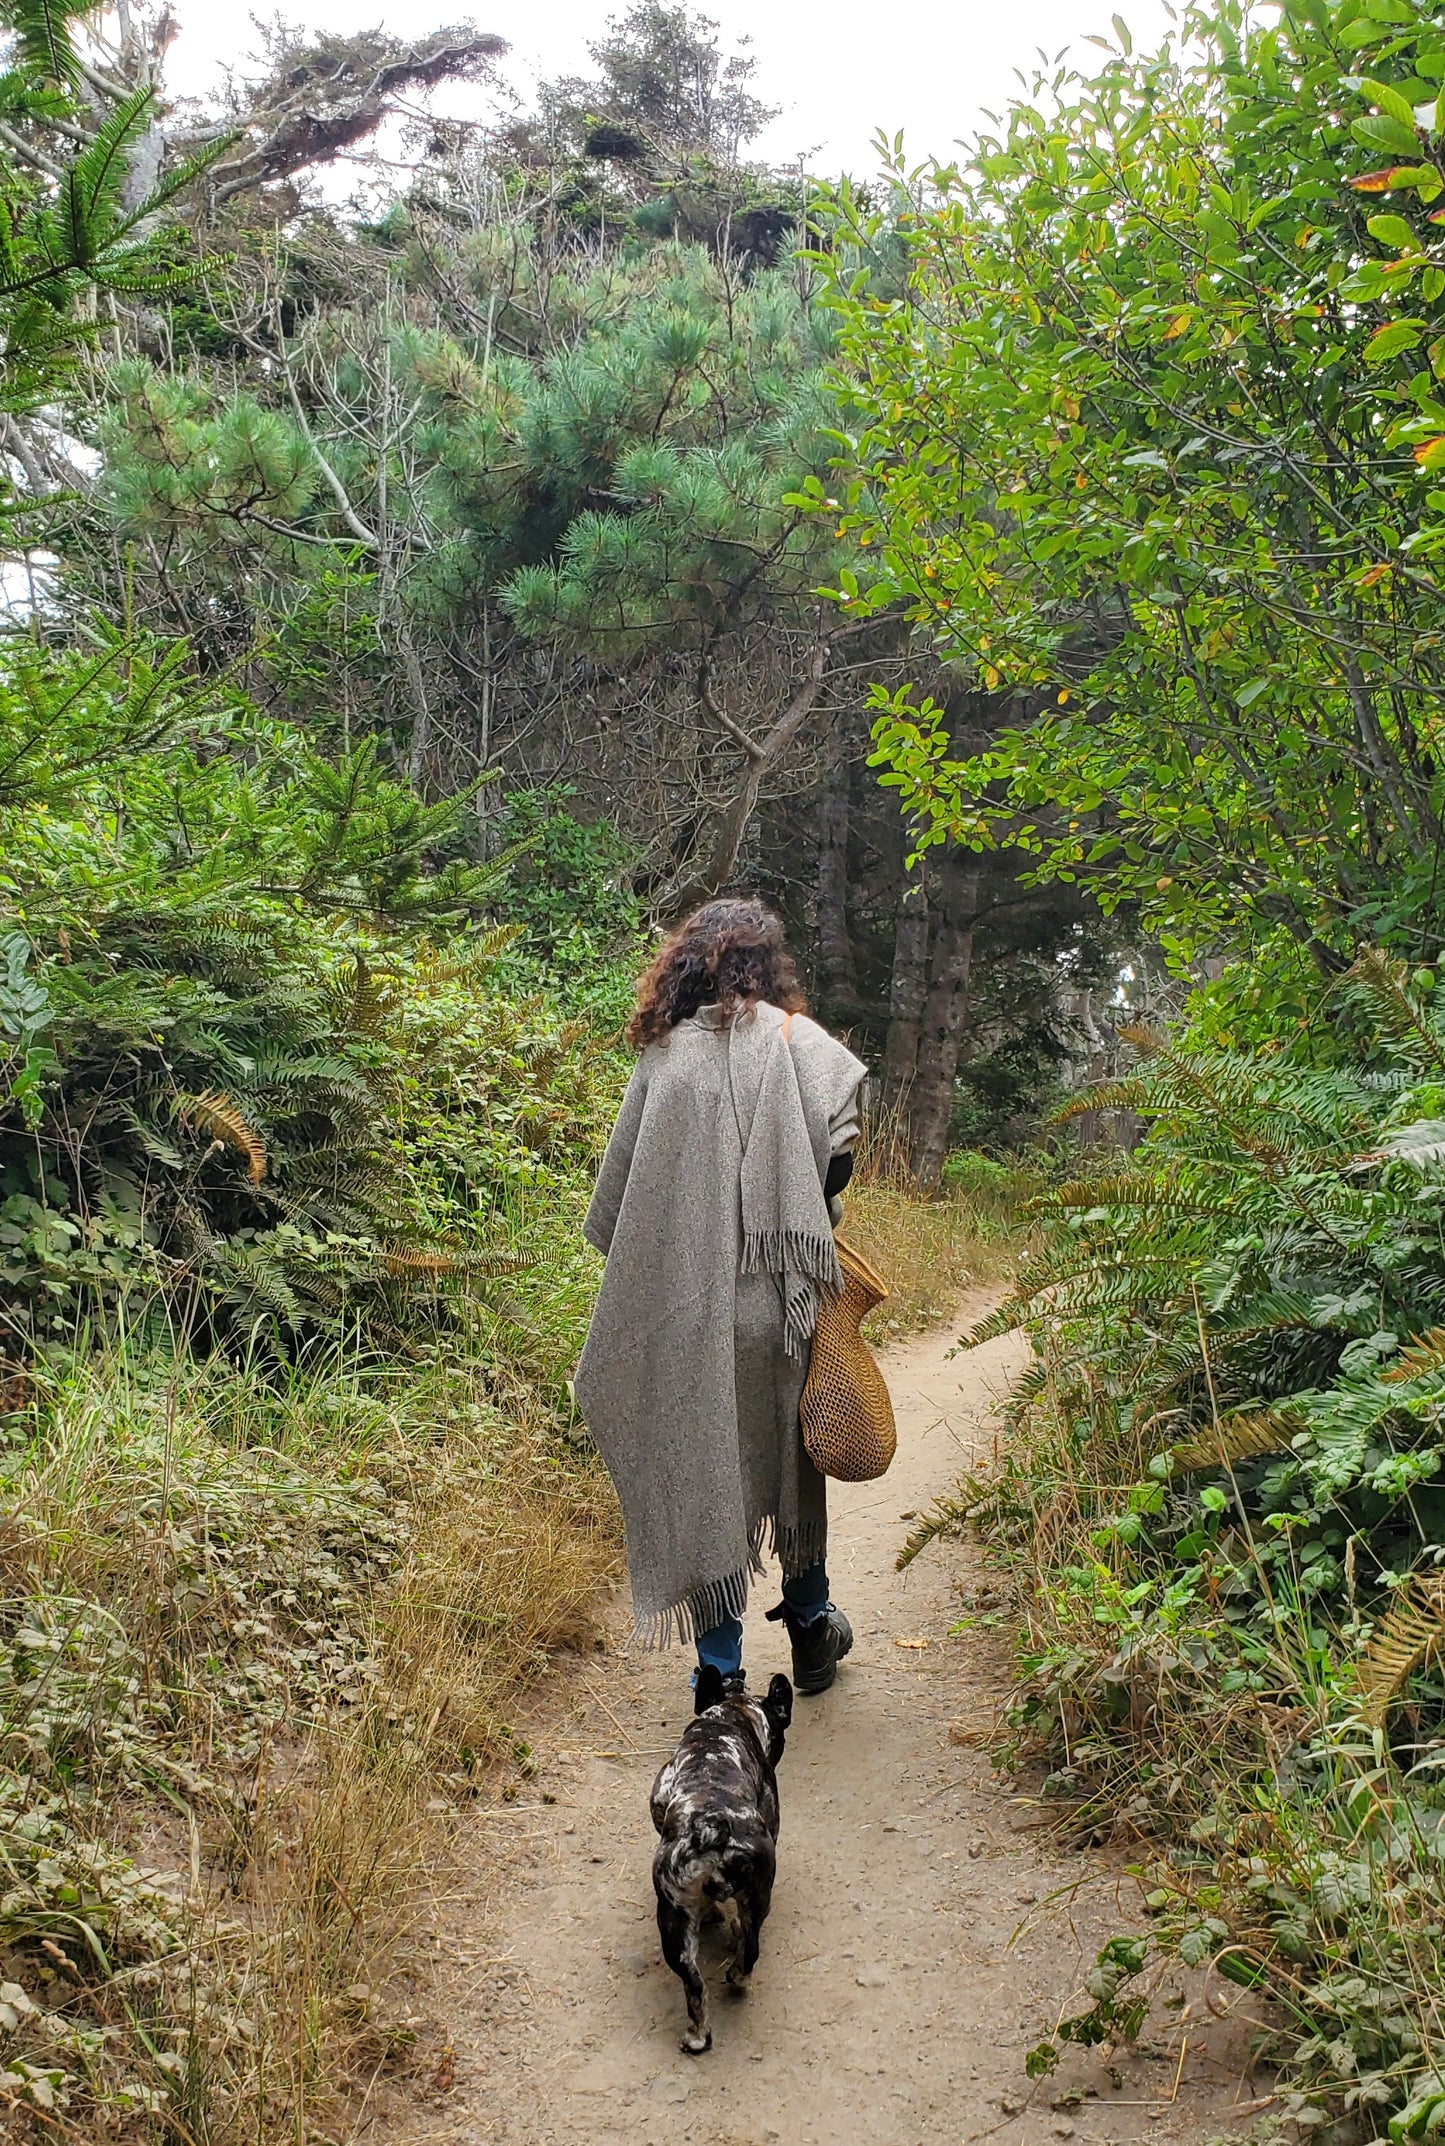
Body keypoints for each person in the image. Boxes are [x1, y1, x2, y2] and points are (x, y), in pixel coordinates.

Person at [575, 897, 868, 1698]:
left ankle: (719, 1675)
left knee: (704, 1475)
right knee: (793, 1466)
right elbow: (840, 1158)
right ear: (765, 965)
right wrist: (801, 1195)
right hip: (778, 1305)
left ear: (686, 965)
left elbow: (623, 1203)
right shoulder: (796, 1040)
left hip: (686, 1308)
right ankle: (811, 1628)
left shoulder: (664, 1055)